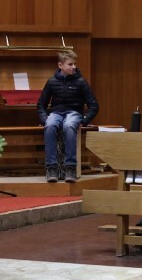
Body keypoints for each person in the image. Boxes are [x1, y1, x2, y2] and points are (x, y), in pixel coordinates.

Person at [37, 49, 99, 184]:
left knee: (69, 125)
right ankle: (51, 168)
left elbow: (94, 105)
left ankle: (70, 167)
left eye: (74, 64)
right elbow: (41, 105)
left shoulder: (81, 82)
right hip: (56, 112)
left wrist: (85, 121)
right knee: (50, 125)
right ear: (60, 65)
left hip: (74, 113)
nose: (74, 67)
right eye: (70, 64)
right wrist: (44, 119)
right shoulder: (52, 81)